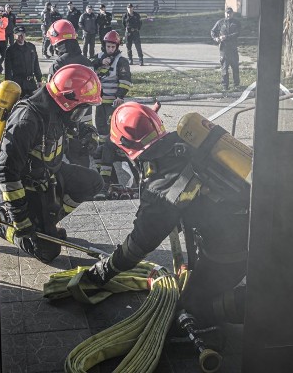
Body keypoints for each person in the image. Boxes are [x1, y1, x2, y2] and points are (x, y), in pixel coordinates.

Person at [83, 102, 250, 327]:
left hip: (232, 250)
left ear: (126, 147)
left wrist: (104, 271)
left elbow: (142, 240)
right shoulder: (186, 142)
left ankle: (260, 303)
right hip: (253, 228)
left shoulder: (160, 184)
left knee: (192, 309)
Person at [0, 64, 104, 262]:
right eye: (81, 109)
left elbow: (70, 127)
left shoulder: (56, 107)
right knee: (48, 252)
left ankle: (48, 222)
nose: (81, 114)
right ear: (67, 101)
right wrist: (20, 218)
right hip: (26, 187)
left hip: (50, 175)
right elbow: (5, 172)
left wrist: (88, 135)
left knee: (93, 182)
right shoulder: (27, 120)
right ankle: (2, 225)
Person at [46, 19, 96, 167]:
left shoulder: (58, 65)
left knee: (56, 160)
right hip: (84, 119)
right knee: (81, 158)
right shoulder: (87, 62)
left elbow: (50, 95)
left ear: (56, 40)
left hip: (62, 120)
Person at [91, 30, 132, 198]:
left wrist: (120, 96)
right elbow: (90, 70)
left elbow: (126, 81)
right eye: (108, 46)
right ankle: (103, 168)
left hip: (112, 105)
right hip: (100, 104)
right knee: (100, 136)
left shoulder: (121, 61)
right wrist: (100, 63)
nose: (110, 49)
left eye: (112, 46)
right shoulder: (99, 57)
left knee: (109, 138)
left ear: (117, 46)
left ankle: (105, 176)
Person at [4, 26, 42, 97]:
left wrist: (39, 79)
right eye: (19, 35)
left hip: (31, 83)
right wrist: (8, 85)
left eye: (23, 34)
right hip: (18, 83)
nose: (21, 37)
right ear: (14, 36)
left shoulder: (31, 47)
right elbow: (8, 69)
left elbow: (36, 64)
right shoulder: (10, 50)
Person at [210, 7, 241, 92]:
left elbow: (237, 33)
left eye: (230, 13)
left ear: (232, 14)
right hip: (224, 48)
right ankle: (225, 85)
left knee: (235, 67)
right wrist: (215, 38)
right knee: (224, 67)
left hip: (233, 48)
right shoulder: (220, 22)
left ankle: (236, 84)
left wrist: (226, 37)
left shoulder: (236, 23)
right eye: (227, 13)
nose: (228, 14)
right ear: (225, 13)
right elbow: (213, 31)